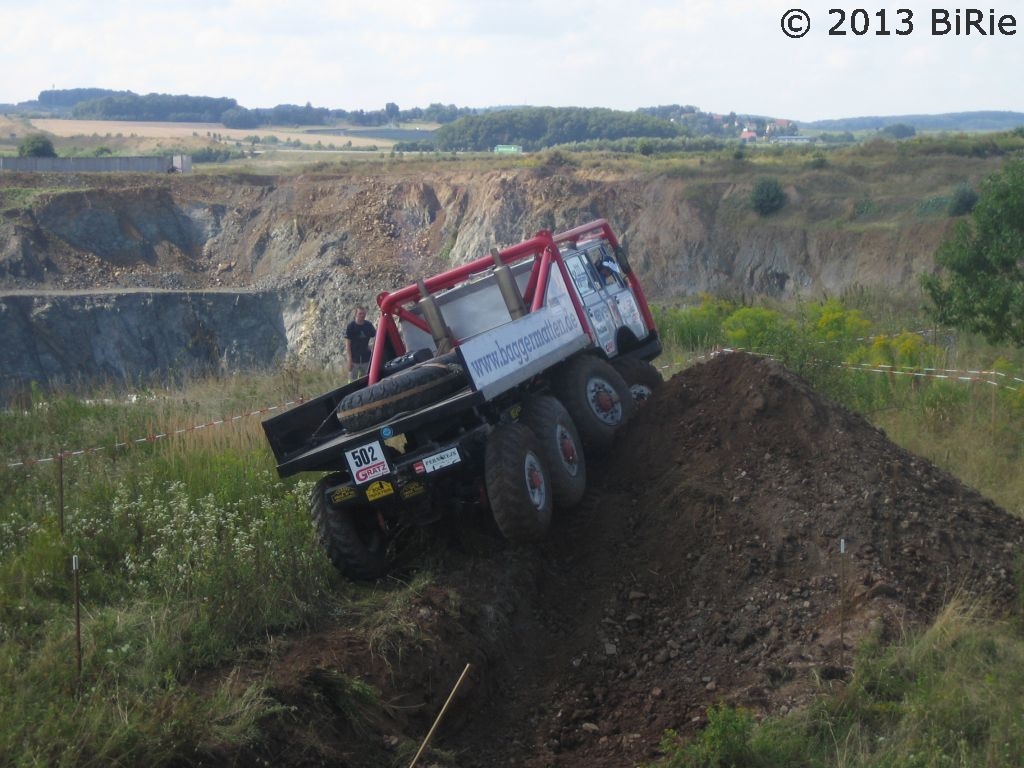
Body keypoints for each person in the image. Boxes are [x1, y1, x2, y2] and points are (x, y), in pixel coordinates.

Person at [344, 306, 376, 382]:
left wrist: (372, 348)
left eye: (364, 313)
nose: (362, 315)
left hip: (367, 358)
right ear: (355, 315)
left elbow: (377, 336)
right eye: (360, 313)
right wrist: (349, 360)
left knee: (367, 380)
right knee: (352, 381)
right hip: (354, 360)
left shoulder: (368, 325)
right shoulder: (351, 327)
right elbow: (347, 345)